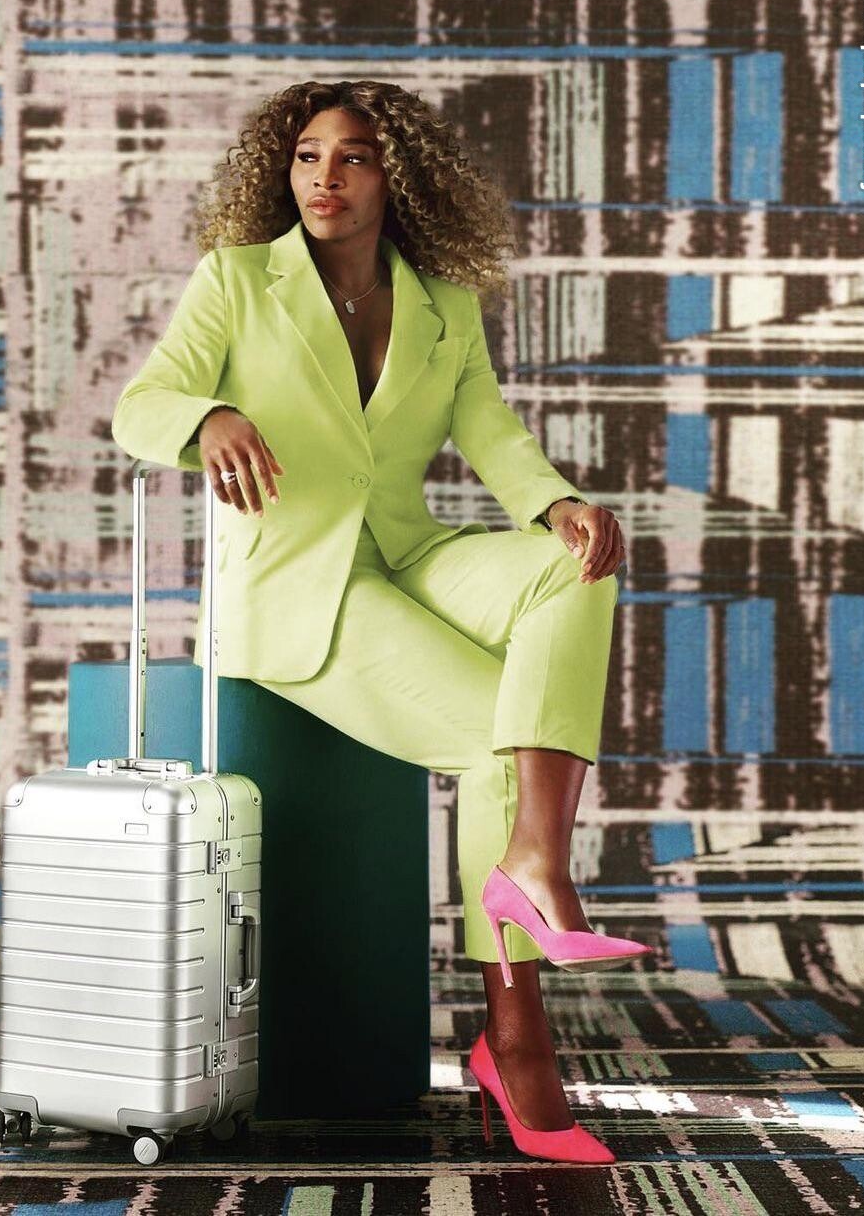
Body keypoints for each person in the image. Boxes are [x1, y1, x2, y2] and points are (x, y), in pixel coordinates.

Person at [110, 80, 652, 1163]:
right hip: (295, 585)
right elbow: (140, 406)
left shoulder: (442, 300)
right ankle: (518, 1038)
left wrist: (559, 503)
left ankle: (538, 855)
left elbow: (489, 428)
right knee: (496, 741)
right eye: (308, 156)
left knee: (575, 566)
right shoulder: (238, 280)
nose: (327, 177)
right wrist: (209, 415)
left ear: (395, 176)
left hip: (406, 552)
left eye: (353, 157)